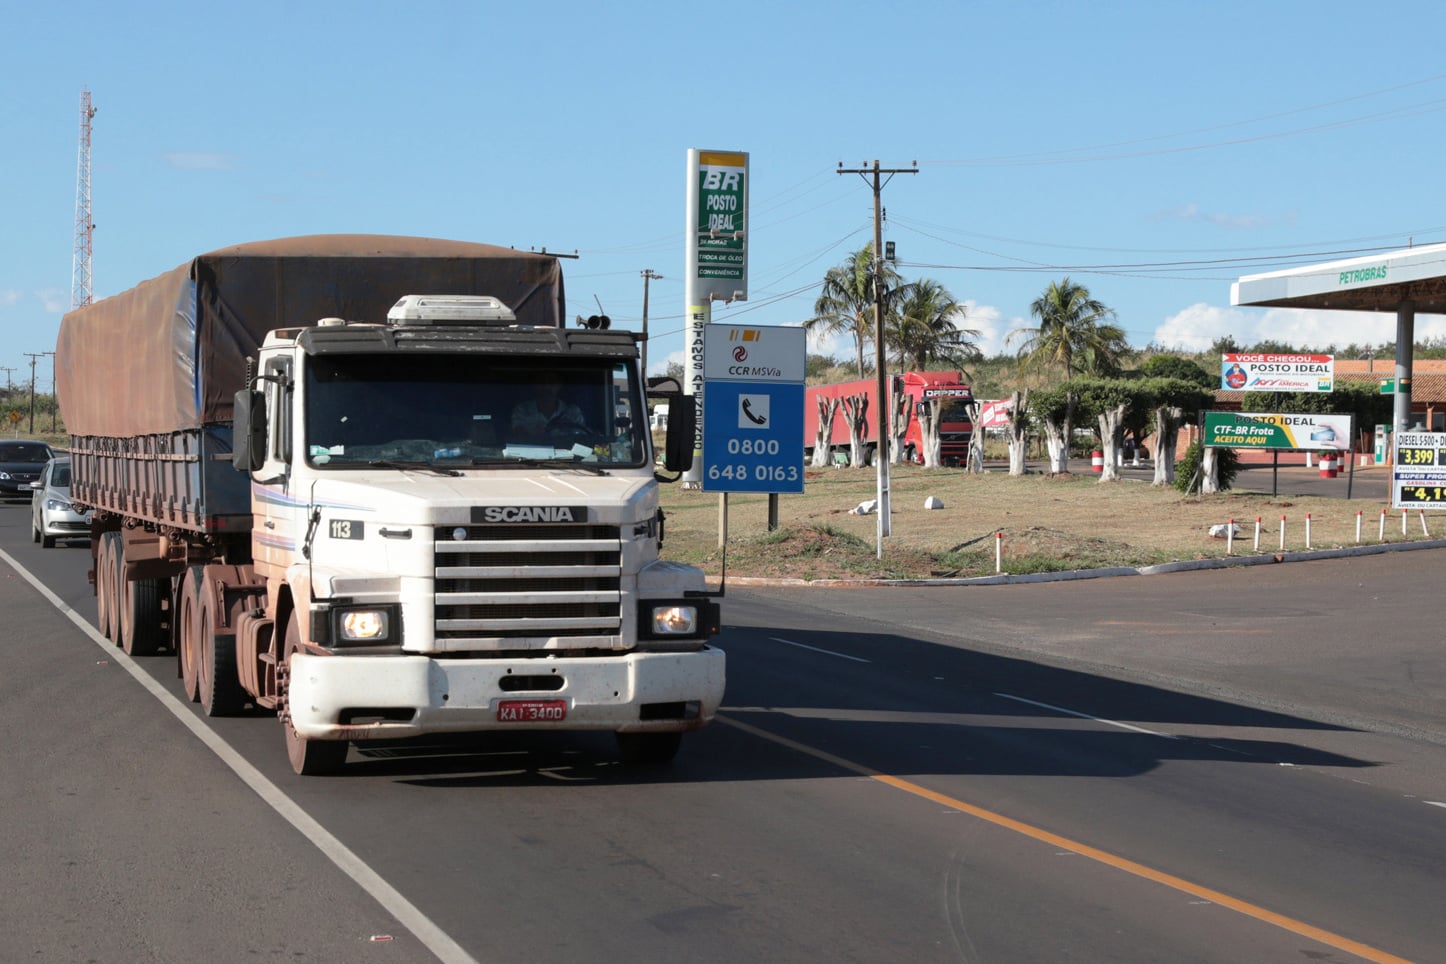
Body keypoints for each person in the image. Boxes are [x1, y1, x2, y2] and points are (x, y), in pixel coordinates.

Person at [509, 381, 592, 441]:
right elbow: (516, 434)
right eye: (542, 383)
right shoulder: (522, 409)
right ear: (534, 386)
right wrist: (530, 433)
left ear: (559, 385)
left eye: (552, 383)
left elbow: (583, 438)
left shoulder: (573, 412)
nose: (546, 387)